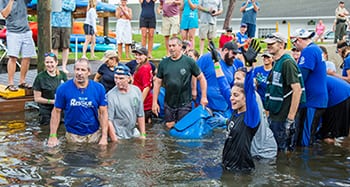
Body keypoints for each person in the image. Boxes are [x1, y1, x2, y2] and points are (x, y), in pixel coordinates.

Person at [47, 58, 108, 147]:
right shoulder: (63, 88)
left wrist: (104, 136)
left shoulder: (99, 88)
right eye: (77, 69)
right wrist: (52, 136)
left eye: (83, 70)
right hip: (73, 135)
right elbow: (56, 112)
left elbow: (103, 113)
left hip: (94, 134)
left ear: (89, 72)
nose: (79, 73)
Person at [152, 37, 208, 129]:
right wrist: (154, 102)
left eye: (174, 45)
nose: (171, 48)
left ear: (180, 46)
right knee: (169, 126)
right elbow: (157, 82)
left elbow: (202, 78)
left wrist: (204, 97)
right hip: (169, 102)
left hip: (184, 102)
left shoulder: (189, 62)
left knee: (182, 127)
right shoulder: (163, 63)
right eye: (169, 46)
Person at [263, 32, 305, 152]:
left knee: (282, 151)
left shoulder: (287, 63)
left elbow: (297, 90)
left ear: (281, 45)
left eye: (272, 44)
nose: (268, 46)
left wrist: (290, 119)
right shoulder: (277, 62)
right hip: (275, 115)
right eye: (268, 44)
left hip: (283, 117)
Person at [291, 28, 328, 147]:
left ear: (299, 40)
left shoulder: (309, 51)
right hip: (318, 100)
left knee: (304, 139)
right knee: (309, 134)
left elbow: (300, 76)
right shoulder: (316, 49)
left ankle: (303, 163)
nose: (295, 47)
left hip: (311, 101)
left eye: (294, 43)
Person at [196, 42, 240, 121]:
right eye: (234, 53)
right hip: (205, 105)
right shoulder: (207, 58)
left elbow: (233, 87)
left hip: (223, 109)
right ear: (225, 50)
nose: (235, 56)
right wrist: (194, 92)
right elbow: (194, 74)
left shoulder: (233, 67)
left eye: (236, 54)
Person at [0, 0, 37, 91]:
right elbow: (4, 14)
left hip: (26, 30)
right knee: (13, 57)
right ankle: (11, 83)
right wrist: (11, 1)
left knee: (27, 57)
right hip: (13, 32)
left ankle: (22, 81)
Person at [107, 65, 147, 140]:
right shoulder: (110, 96)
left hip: (133, 132)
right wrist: (114, 140)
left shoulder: (136, 90)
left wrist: (143, 134)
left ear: (129, 78)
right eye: (116, 78)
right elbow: (109, 121)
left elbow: (140, 114)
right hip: (119, 135)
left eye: (121, 78)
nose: (118, 81)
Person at [33, 52, 67, 125]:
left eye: (51, 62)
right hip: (46, 110)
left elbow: (68, 91)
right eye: (47, 62)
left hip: (61, 109)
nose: (49, 65)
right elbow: (37, 98)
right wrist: (51, 101)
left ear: (56, 62)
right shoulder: (40, 77)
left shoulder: (62, 75)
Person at [317, 75, 350, 144]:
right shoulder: (319, 75)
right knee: (343, 132)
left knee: (328, 136)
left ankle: (331, 151)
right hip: (345, 92)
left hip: (338, 97)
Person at [51, 0, 76, 74]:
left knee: (65, 46)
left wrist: (60, 4)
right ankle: (54, 66)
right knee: (54, 46)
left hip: (66, 24)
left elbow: (72, 7)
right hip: (54, 24)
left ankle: (64, 67)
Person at [132, 47, 153, 123]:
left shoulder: (144, 68)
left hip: (145, 104)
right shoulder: (143, 65)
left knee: (142, 125)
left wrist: (140, 103)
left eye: (140, 55)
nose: (137, 57)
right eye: (136, 54)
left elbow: (146, 87)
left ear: (146, 56)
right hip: (144, 101)